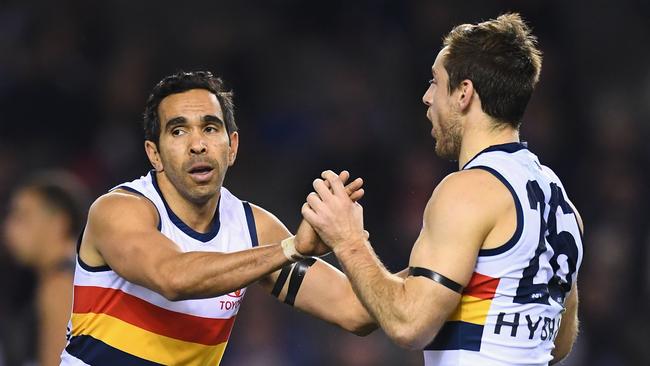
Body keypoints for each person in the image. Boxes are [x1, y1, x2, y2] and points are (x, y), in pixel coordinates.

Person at [303, 13, 584, 366]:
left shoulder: (468, 191)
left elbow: (409, 324)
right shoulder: (561, 202)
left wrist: (348, 239)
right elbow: (558, 343)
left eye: (435, 82)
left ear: (464, 93)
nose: (426, 97)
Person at [60, 71, 375, 365]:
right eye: (178, 131)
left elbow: (357, 311)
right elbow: (172, 278)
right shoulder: (118, 210)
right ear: (154, 154)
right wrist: (290, 249)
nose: (197, 145)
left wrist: (359, 247)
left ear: (232, 147)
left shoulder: (254, 229)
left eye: (210, 128)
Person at [3, 172, 89, 366]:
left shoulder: (60, 285)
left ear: (58, 223)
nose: (8, 227)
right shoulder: (76, 274)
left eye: (22, 216)